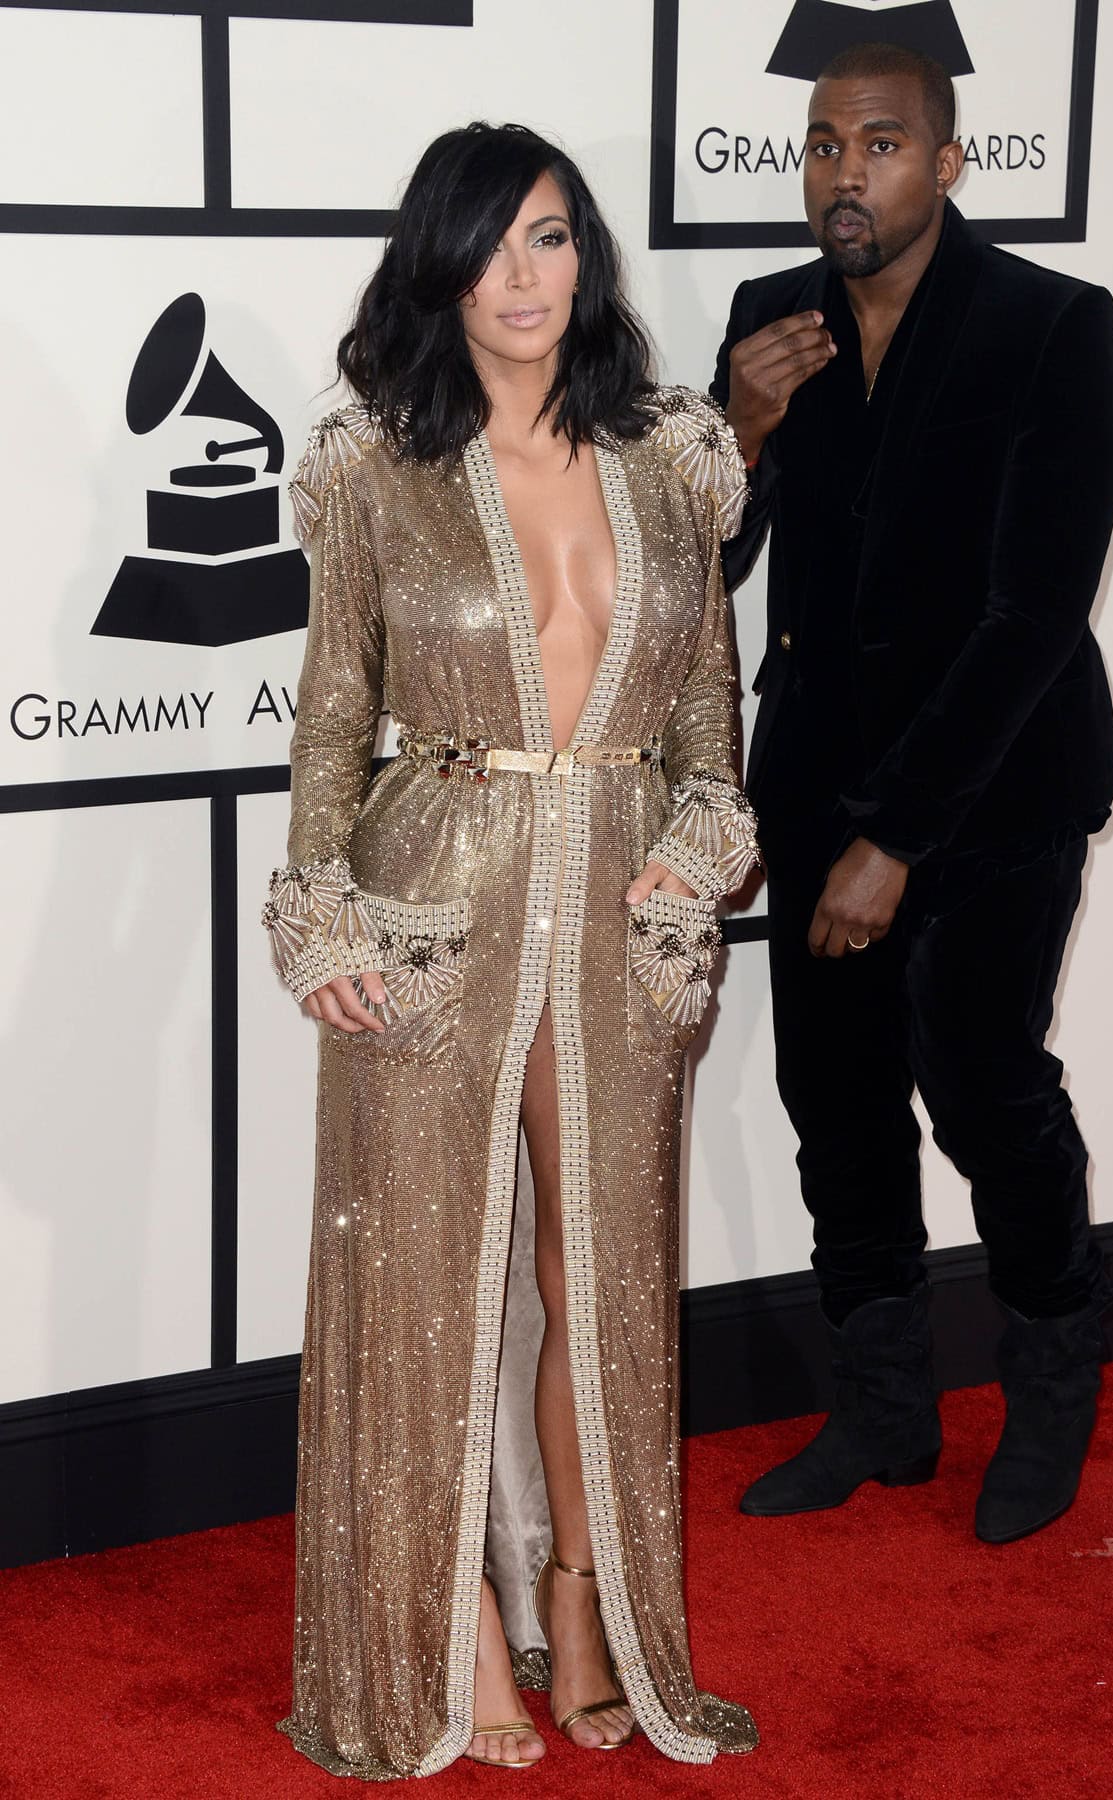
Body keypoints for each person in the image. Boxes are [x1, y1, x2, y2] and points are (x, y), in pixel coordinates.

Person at [263, 122, 758, 1777]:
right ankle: (456, 1627)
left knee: (598, 1282)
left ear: (585, 250)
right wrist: (315, 910)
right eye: (486, 247)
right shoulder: (371, 466)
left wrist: (693, 865)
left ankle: (591, 1606)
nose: (522, 278)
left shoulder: (679, 455)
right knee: (428, 1287)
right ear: (437, 266)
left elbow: (707, 717)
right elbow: (336, 712)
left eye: (547, 237)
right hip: (431, 898)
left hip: (621, 912)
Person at [712, 42, 1113, 1545]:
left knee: (984, 1082)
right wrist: (740, 432)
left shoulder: (1051, 324)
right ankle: (884, 1412)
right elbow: (712, 570)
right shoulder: (770, 320)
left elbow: (1035, 612)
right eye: (822, 144)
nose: (843, 173)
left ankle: (1054, 1380)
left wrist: (899, 837)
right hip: (816, 776)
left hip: (1000, 790)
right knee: (834, 1103)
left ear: (945, 163)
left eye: (879, 143)